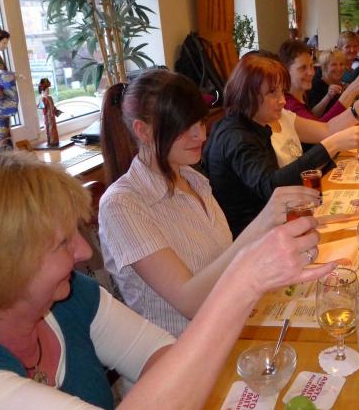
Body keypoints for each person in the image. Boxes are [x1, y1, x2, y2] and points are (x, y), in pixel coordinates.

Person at [0, 150, 334, 408]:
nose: (84, 251)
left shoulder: (73, 296)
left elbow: (160, 353)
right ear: (8, 266)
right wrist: (243, 283)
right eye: (63, 243)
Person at [98, 69, 322, 336]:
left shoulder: (193, 179)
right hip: (182, 350)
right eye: (184, 127)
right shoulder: (121, 205)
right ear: (143, 131)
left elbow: (223, 264)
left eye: (200, 122)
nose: (201, 135)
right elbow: (190, 302)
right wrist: (262, 223)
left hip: (232, 325)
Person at [203, 54, 359, 237]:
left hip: (277, 224)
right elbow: (271, 187)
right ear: (248, 93)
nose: (283, 101)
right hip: (253, 239)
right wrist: (332, 144)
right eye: (272, 93)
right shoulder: (235, 135)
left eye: (282, 92)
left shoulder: (254, 124)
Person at [279, 40, 359, 122]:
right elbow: (322, 128)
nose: (311, 72)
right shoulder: (289, 105)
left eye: (311, 66)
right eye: (302, 68)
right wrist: (352, 92)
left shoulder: (303, 95)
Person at [37, 78, 62, 147]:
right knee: (49, 128)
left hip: (52, 116)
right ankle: (50, 142)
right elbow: (42, 107)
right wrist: (42, 101)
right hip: (47, 117)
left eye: (48, 90)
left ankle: (55, 141)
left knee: (53, 128)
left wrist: (56, 111)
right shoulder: (43, 99)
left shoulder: (50, 97)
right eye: (47, 90)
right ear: (43, 91)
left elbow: (52, 106)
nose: (48, 91)